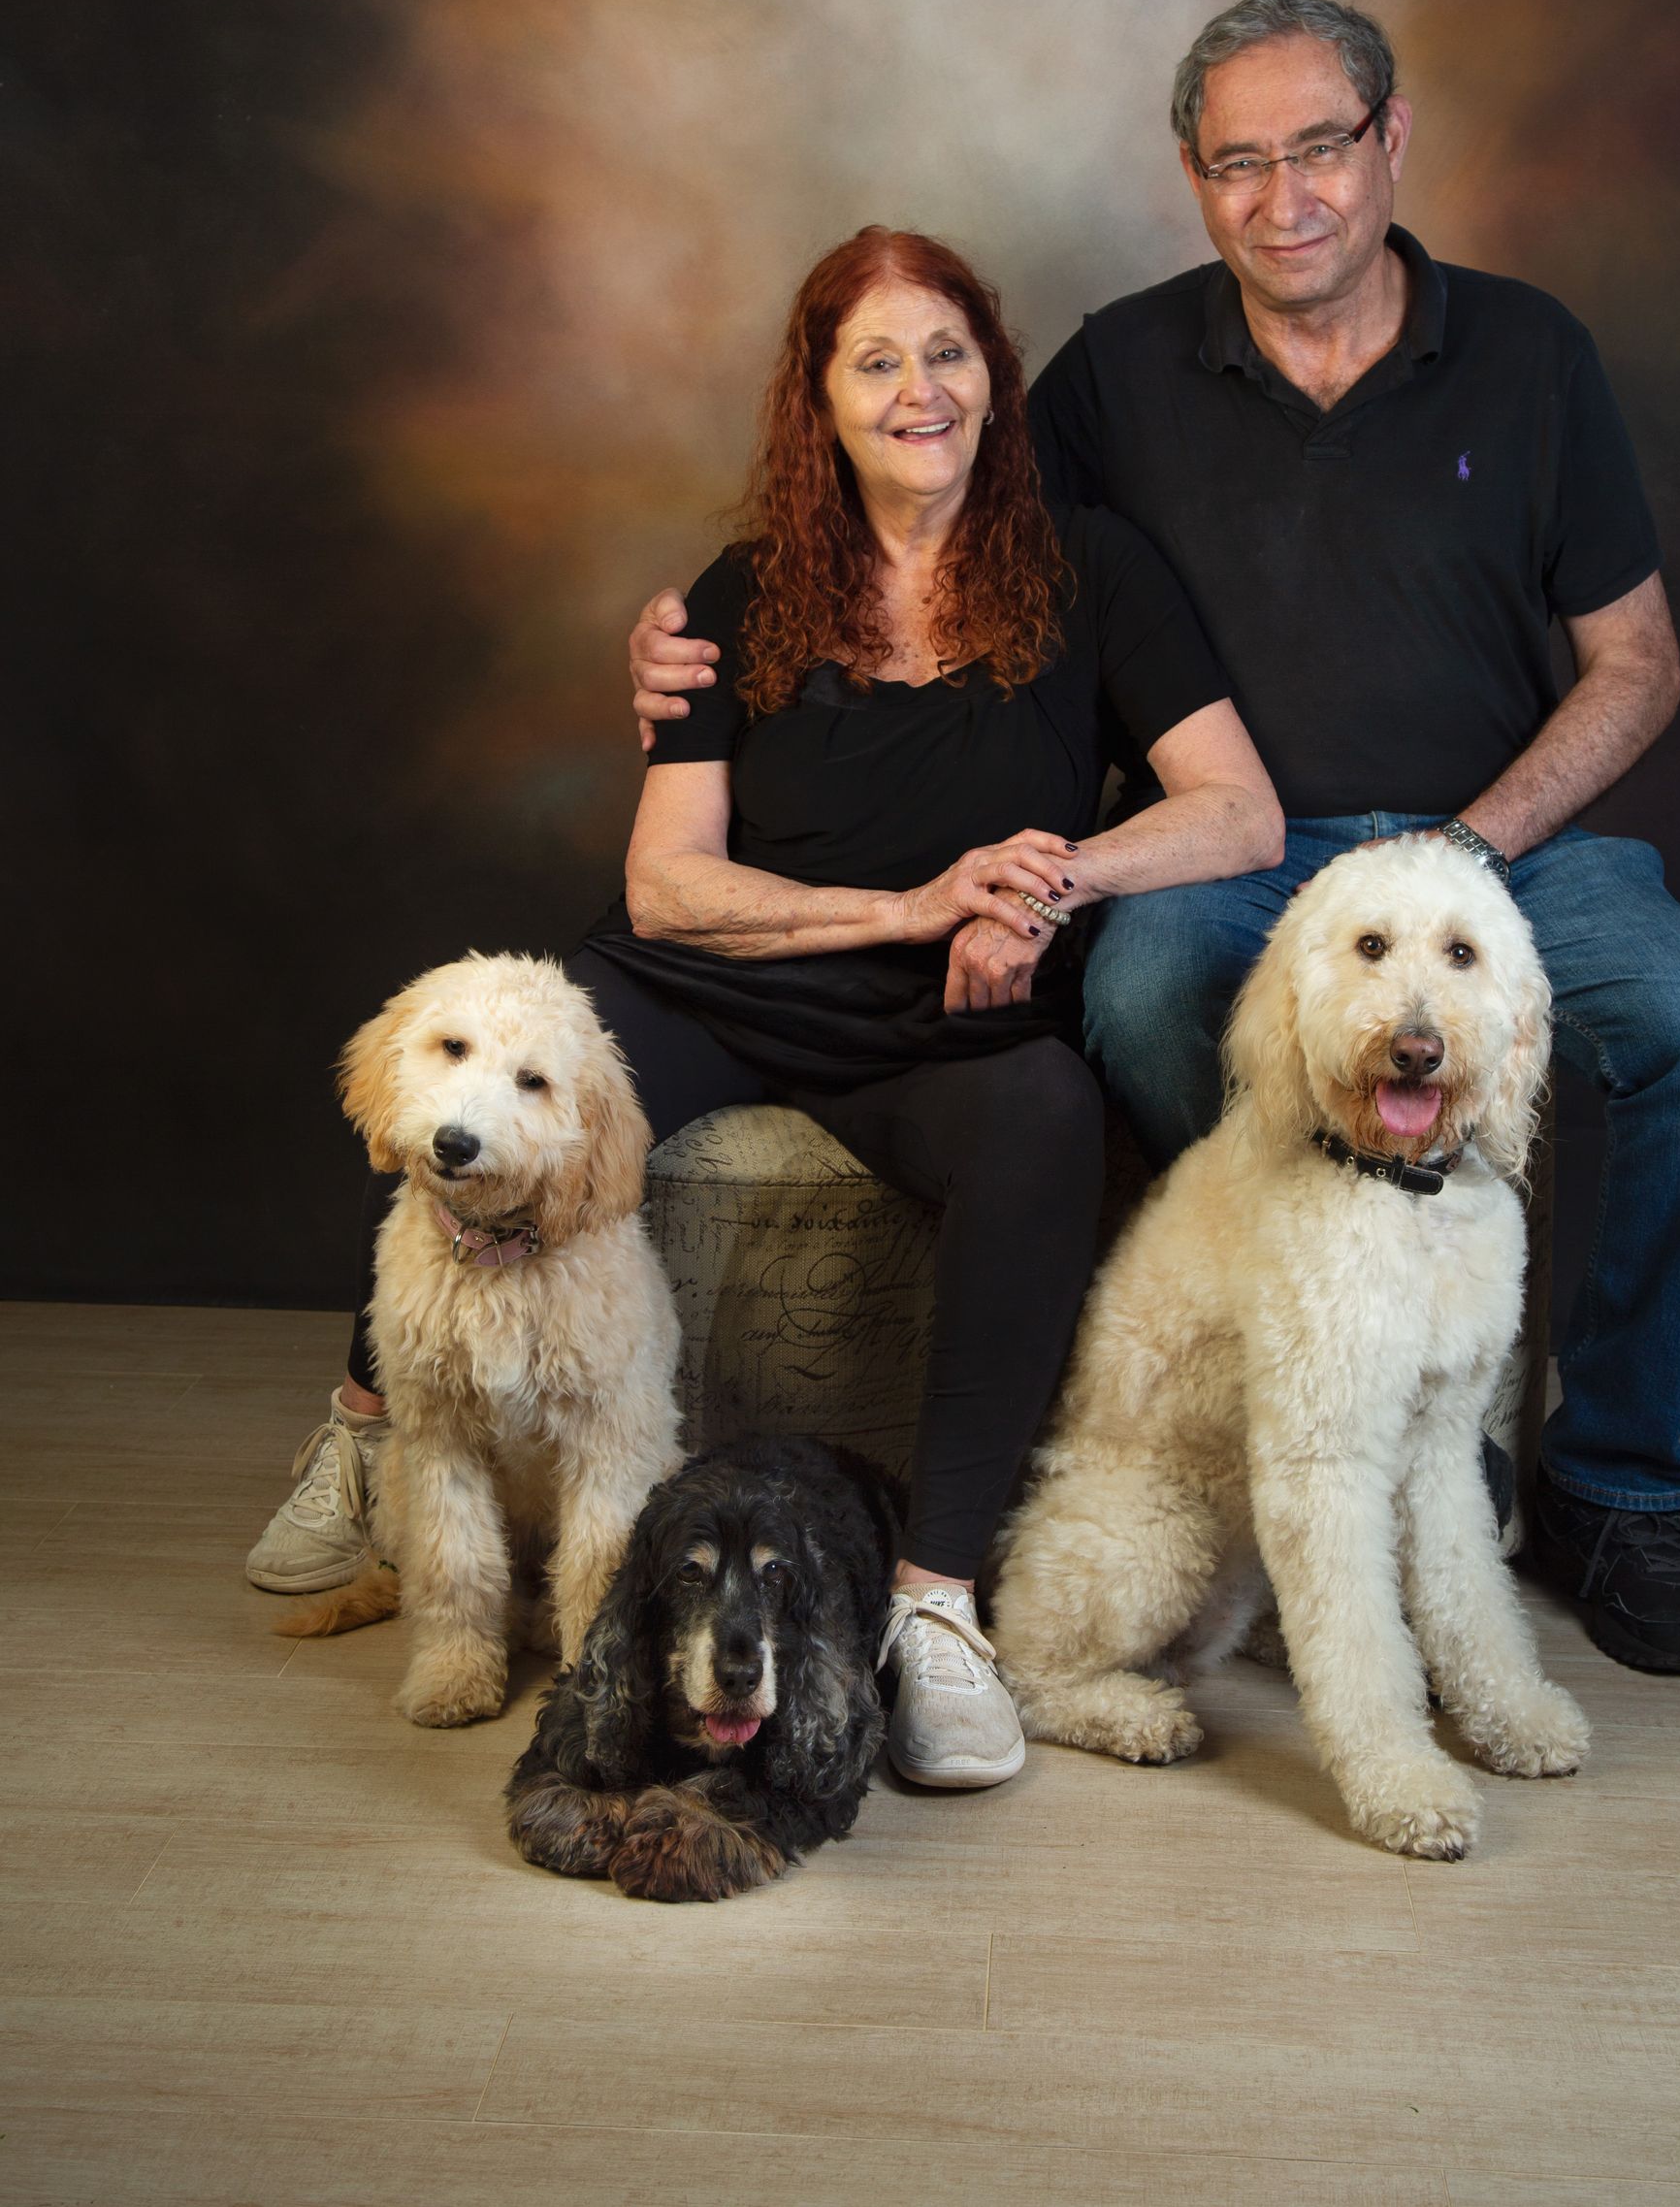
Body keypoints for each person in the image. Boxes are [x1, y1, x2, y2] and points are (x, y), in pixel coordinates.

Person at [633, 0, 1680, 1680]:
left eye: (1320, 146)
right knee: (1142, 993)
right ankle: (1321, 1392)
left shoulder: (1531, 353)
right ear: (1194, 179)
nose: (1285, 196)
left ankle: (1613, 1481)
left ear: (1392, 140)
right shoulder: (1118, 372)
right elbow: (931, 517)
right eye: (1239, 162)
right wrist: (696, 645)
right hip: (1239, 858)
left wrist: (1467, 857)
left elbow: (1639, 664)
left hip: (1509, 850)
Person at [248, 224, 1283, 1788]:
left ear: (995, 380)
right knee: (519, 1052)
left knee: (1046, 1112)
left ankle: (937, 1606)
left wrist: (1044, 882)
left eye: (948, 353)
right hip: (729, 981)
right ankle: (368, 1421)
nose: (920, 389)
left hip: (946, 1020)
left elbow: (1240, 811)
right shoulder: (751, 588)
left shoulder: (1094, 568)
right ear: (822, 401)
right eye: (877, 361)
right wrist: (910, 901)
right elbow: (667, 883)